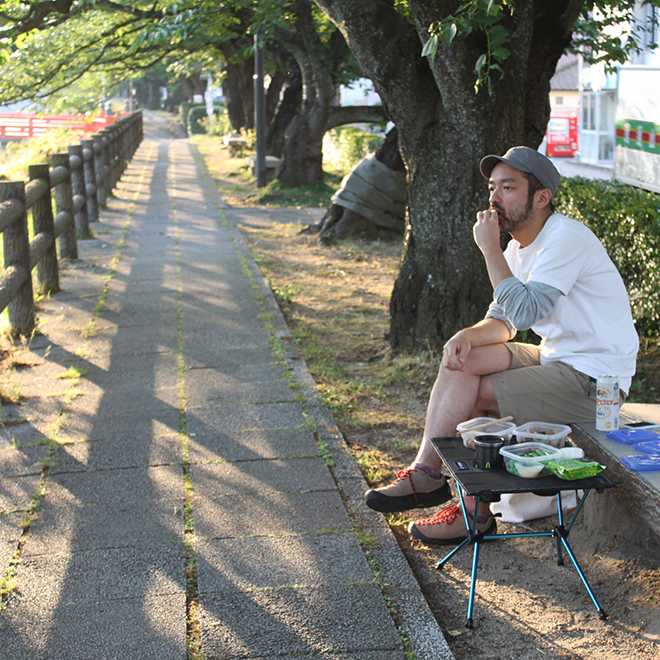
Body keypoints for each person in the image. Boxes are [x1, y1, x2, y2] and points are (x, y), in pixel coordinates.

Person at [365, 146, 639, 545]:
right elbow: (503, 321)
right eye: (493, 187)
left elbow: (524, 311)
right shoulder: (517, 248)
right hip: (557, 359)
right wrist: (464, 336)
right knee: (464, 360)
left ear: (541, 197)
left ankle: (471, 511)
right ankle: (426, 473)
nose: (494, 197)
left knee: (475, 397)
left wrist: (490, 250)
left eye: (508, 187)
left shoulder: (565, 239)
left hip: (599, 383)